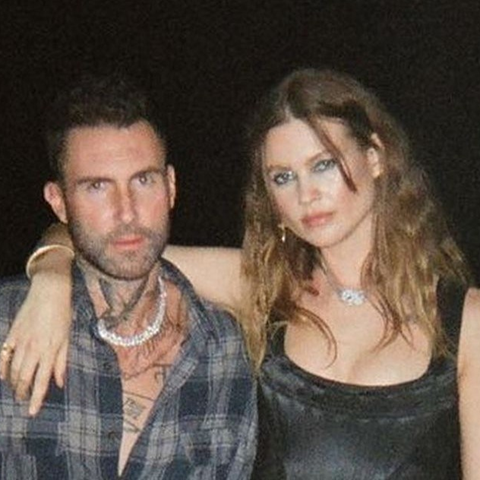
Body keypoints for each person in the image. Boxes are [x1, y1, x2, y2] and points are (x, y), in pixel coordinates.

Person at [3, 68, 480, 479]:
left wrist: (50, 271)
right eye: (283, 177)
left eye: (323, 165)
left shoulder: (467, 322)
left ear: (374, 156)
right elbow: (118, 243)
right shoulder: (265, 286)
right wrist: (51, 277)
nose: (306, 194)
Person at [0, 74, 256, 479]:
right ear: (58, 202)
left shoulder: (229, 351)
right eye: (97, 187)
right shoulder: (7, 325)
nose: (127, 210)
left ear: (171, 186)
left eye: (143, 180)